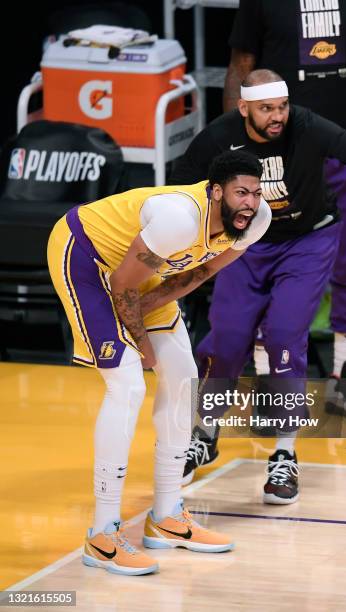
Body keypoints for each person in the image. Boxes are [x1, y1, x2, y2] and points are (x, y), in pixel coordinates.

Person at [170, 70, 346, 503]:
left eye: (282, 106)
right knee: (227, 339)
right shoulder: (220, 136)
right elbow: (180, 184)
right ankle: (205, 433)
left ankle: (284, 455)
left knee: (285, 336)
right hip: (245, 243)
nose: (277, 116)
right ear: (244, 108)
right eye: (267, 109)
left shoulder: (305, 125)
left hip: (308, 240)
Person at [47, 150, 271, 575]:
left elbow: (196, 275)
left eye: (256, 193)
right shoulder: (181, 219)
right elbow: (121, 283)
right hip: (87, 256)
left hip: (138, 268)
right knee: (127, 384)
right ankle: (102, 534)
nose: (251, 202)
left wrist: (151, 311)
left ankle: (167, 516)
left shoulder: (255, 222)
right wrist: (143, 343)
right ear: (216, 191)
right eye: (241, 192)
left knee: (184, 380)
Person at [224, 0, 346, 422]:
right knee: (270, 267)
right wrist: (235, 147)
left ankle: (345, 378)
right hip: (279, 155)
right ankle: (270, 387)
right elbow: (241, 69)